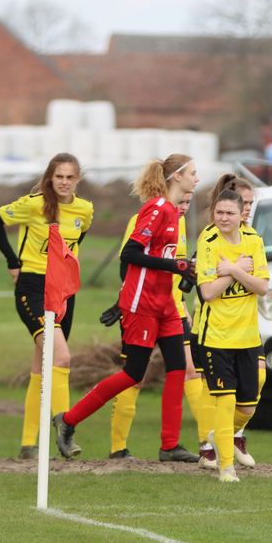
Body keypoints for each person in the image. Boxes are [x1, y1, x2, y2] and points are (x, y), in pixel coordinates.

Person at [52, 154, 201, 462]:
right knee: (133, 373)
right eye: (193, 173)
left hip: (166, 304)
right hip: (141, 302)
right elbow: (131, 254)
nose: (196, 179)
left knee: (178, 368)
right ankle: (67, 421)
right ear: (177, 177)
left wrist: (184, 270)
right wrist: (175, 265)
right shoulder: (157, 208)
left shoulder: (175, 212)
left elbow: (166, 259)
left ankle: (169, 445)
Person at [0, 152, 92, 459]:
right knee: (61, 357)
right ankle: (66, 427)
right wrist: (12, 261)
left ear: (77, 180)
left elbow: (77, 239)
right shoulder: (33, 204)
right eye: (59, 176)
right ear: (50, 177)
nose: (64, 182)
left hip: (64, 293)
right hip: (32, 288)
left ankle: (28, 444)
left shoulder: (84, 210)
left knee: (42, 367)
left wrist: (65, 265)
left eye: (70, 177)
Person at [106, 191, 202, 460]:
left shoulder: (180, 222)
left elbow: (178, 268)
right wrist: (121, 302)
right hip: (141, 304)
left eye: (188, 203)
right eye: (181, 201)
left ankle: (196, 445)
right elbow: (129, 261)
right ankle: (117, 448)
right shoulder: (147, 216)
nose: (184, 207)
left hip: (172, 308)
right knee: (134, 376)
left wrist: (182, 302)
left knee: (187, 370)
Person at [189, 173, 264, 469]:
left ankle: (218, 435)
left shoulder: (254, 239)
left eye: (230, 212)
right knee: (224, 399)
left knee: (247, 406)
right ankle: (227, 468)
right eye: (219, 212)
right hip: (216, 335)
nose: (224, 217)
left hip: (247, 334)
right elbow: (207, 292)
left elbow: (262, 287)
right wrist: (237, 271)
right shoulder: (207, 240)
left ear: (242, 214)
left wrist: (231, 269)